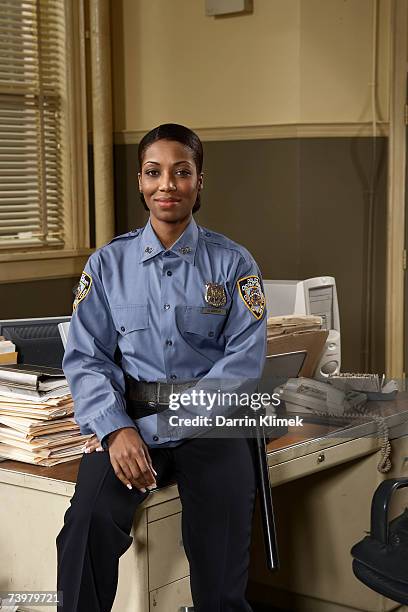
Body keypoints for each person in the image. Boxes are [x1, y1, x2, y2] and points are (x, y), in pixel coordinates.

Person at [56, 123, 267, 612]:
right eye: (154, 172)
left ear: (199, 181)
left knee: (221, 563)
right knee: (84, 528)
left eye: (181, 172)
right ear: (140, 181)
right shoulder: (108, 265)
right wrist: (114, 430)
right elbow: (87, 358)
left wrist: (165, 427)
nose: (166, 184)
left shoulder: (234, 265)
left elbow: (240, 368)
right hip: (127, 421)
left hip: (210, 425)